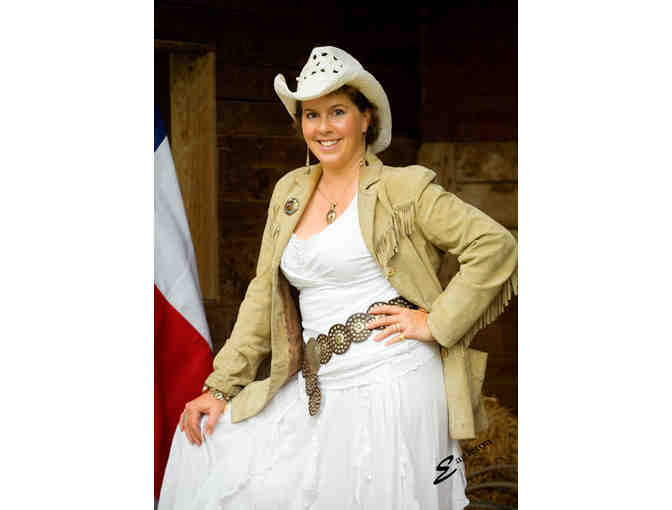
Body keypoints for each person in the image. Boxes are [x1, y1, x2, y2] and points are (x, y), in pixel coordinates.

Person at [158, 46, 517, 510]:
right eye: (311, 115)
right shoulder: (288, 191)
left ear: (366, 119)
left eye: (338, 112)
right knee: (208, 452)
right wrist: (221, 386)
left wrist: (435, 322)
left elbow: (494, 245)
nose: (323, 127)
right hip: (319, 383)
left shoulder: (402, 189)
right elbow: (263, 293)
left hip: (393, 379)